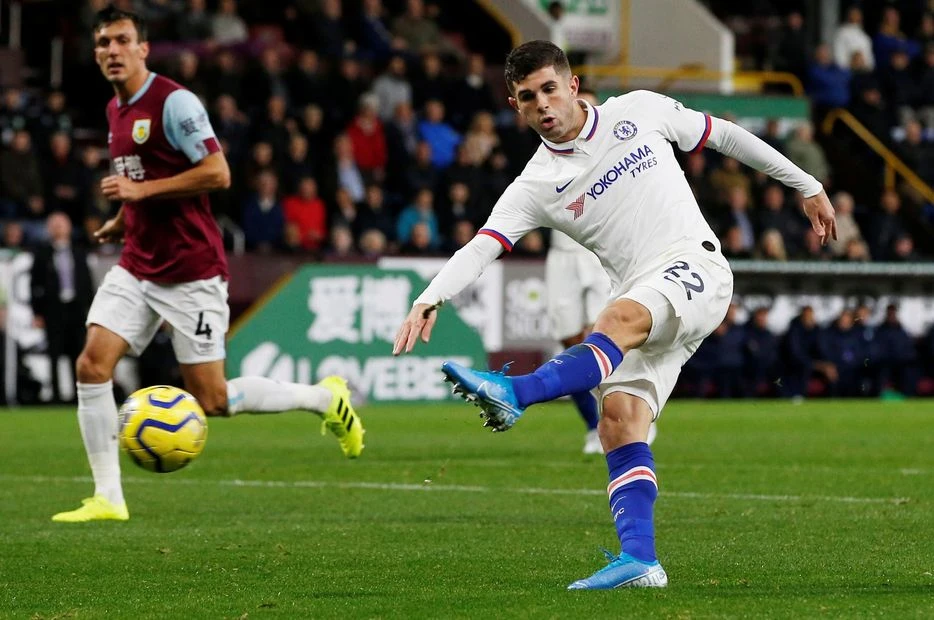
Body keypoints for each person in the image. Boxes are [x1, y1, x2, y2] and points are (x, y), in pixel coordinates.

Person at [392, 41, 835, 589]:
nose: (543, 106)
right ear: (516, 107)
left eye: (550, 89)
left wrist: (806, 183)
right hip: (643, 295)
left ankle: (518, 393)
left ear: (573, 86)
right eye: (529, 98)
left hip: (694, 268)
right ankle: (641, 561)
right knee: (619, 420)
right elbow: (482, 246)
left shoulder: (639, 110)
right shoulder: (533, 186)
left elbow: (724, 135)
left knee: (614, 320)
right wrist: (428, 296)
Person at [53, 6, 365, 524]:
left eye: (121, 40)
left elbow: (217, 173)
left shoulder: (174, 102)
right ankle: (108, 496)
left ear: (143, 47)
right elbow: (146, 183)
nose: (112, 50)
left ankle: (324, 398)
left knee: (213, 400)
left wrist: (138, 191)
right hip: (138, 265)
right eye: (103, 42)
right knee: (91, 365)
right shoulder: (116, 111)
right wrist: (125, 218)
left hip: (192, 270)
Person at [546, 88, 656, 455]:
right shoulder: (551, 153)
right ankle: (595, 426)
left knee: (601, 338)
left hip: (597, 256)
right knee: (567, 341)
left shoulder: (614, 154)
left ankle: (630, 418)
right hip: (561, 255)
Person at [30, 212, 94, 403]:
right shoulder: (42, 253)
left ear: (68, 227)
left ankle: (78, 396)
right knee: (54, 354)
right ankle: (56, 395)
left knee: (78, 353)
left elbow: (87, 282)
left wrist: (89, 308)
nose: (58, 227)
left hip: (75, 310)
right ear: (49, 229)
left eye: (61, 224)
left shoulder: (79, 251)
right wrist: (37, 313)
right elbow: (34, 285)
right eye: (54, 224)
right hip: (53, 310)